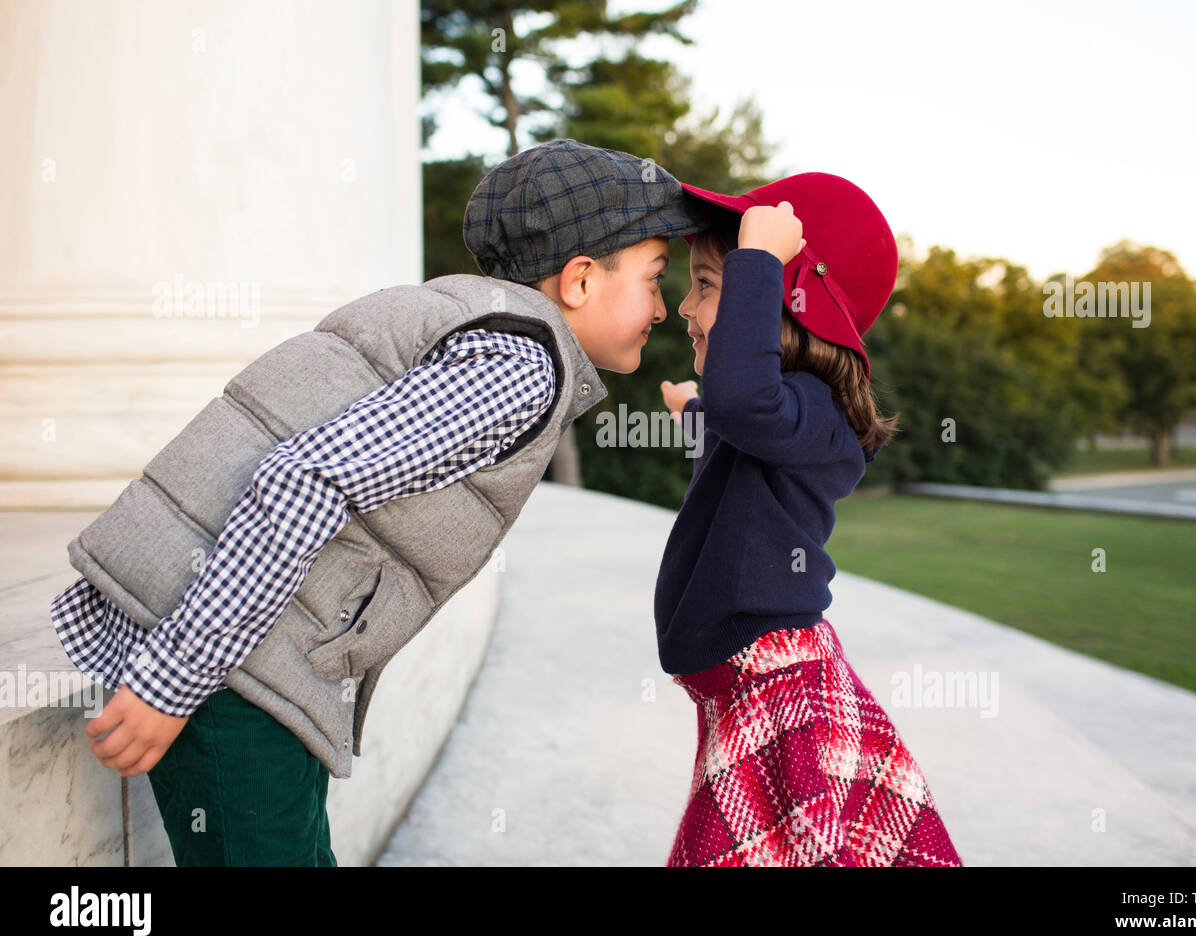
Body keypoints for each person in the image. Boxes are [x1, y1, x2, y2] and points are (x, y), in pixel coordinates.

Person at [49, 139, 706, 866]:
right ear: (581, 279)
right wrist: (175, 678)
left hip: (242, 653)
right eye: (653, 278)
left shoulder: (470, 319)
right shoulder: (520, 368)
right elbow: (306, 478)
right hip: (236, 674)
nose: (667, 306)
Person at [656, 173, 964, 866]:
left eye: (706, 284)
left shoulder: (811, 411)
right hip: (743, 685)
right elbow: (740, 426)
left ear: (784, 303)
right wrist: (694, 415)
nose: (683, 306)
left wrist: (756, 260)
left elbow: (744, 406)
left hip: (778, 689)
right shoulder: (778, 417)